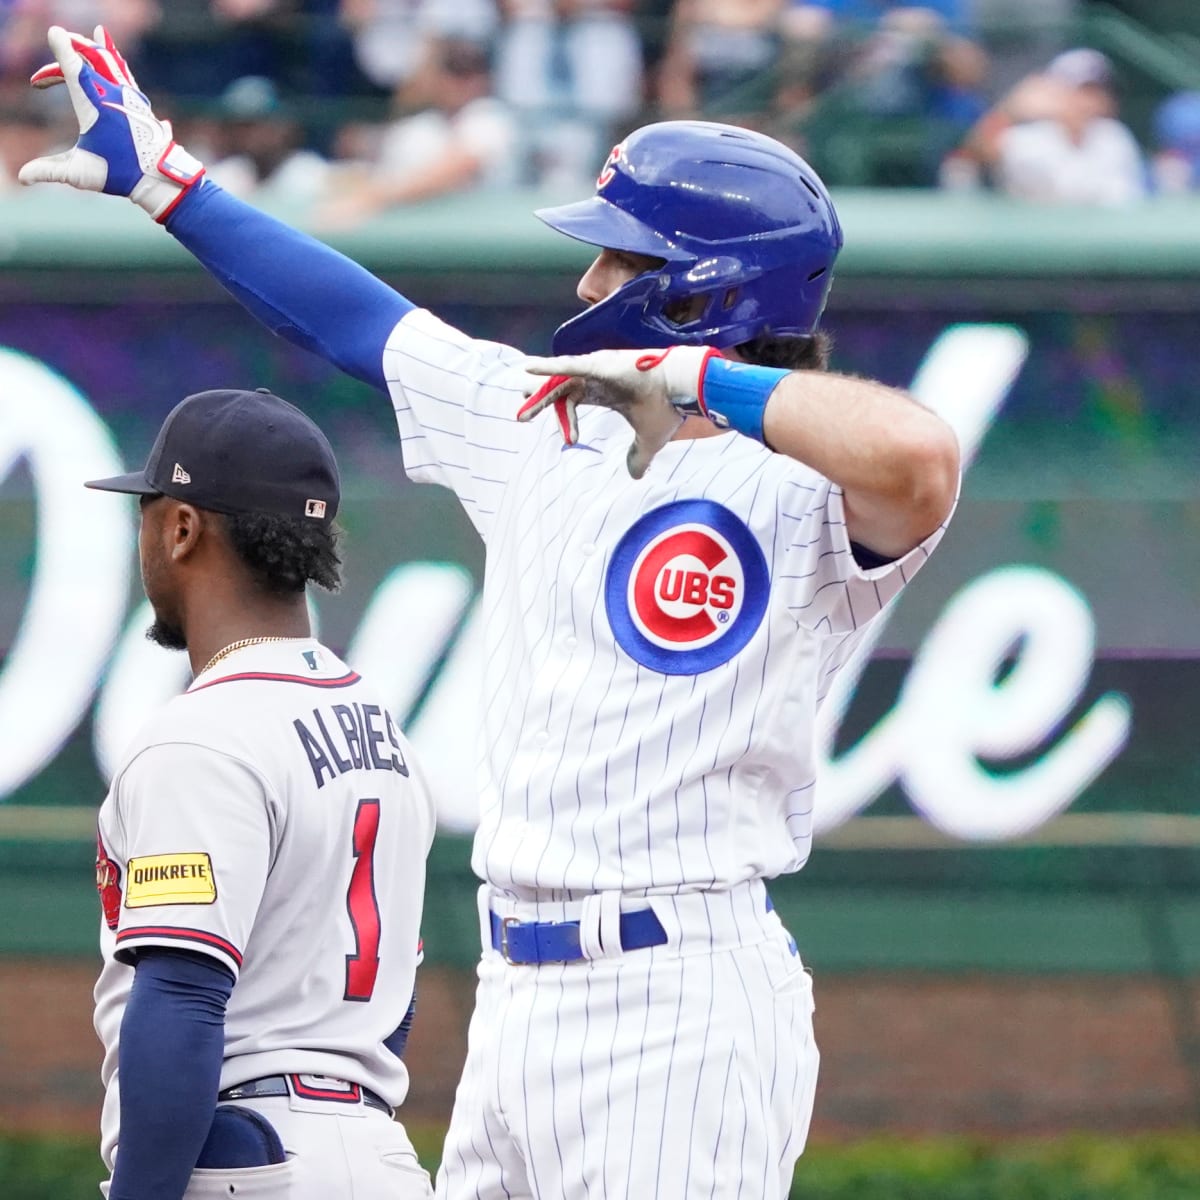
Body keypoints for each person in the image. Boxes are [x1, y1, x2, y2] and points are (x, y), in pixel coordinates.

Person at [22, 24, 960, 1199]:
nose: (585, 284)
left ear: (697, 292)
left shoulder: (808, 490)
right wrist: (173, 186)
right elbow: (356, 320)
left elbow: (921, 459)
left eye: (619, 261)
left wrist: (697, 380)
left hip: (678, 996)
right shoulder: (543, 417)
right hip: (515, 993)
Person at [83, 385, 436, 1198]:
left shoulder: (200, 736)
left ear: (181, 527)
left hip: (246, 1159)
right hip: (378, 1155)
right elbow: (397, 1001)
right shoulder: (381, 729)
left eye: (148, 510)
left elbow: (180, 995)